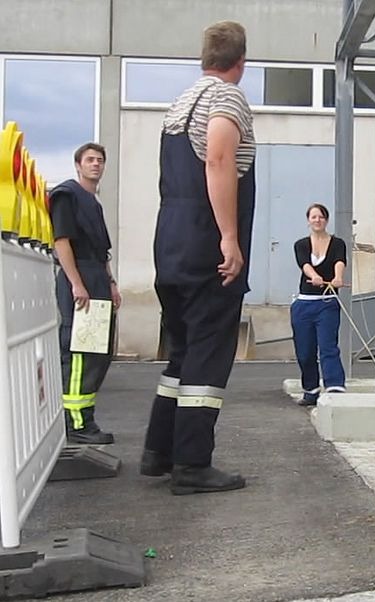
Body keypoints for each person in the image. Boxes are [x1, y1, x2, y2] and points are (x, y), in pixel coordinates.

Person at [139, 20, 256, 495]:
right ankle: (192, 466)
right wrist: (229, 237)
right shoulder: (227, 99)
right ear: (241, 63)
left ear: (204, 58)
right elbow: (219, 160)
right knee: (208, 356)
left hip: (170, 243)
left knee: (183, 353)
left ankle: (158, 452)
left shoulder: (180, 103)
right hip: (207, 246)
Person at [49, 143, 122, 445]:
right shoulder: (67, 195)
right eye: (90, 160)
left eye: (100, 160)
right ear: (78, 165)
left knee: (97, 354)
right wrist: (77, 283)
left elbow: (101, 251)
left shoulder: (93, 202)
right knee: (80, 353)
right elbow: (61, 241)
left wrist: (111, 283)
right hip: (79, 278)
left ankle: (86, 419)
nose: (96, 164)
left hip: (96, 278)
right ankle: (76, 424)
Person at [291, 203, 347, 406]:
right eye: (313, 217)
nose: (317, 220)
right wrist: (315, 276)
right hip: (304, 304)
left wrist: (338, 277)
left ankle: (335, 387)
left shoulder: (338, 243)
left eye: (321, 217)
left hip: (327, 303)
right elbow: (304, 264)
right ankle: (311, 390)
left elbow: (340, 261)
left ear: (326, 220)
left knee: (328, 347)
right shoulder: (301, 244)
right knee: (305, 351)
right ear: (308, 220)